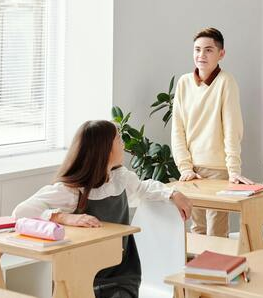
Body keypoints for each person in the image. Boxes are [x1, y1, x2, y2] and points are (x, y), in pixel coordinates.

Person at [13, 120, 192, 298]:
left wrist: (173, 193)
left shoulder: (119, 179)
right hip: (84, 275)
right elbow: (21, 212)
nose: (123, 144)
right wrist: (62, 217)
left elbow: (142, 188)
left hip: (123, 273)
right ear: (105, 148)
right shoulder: (72, 191)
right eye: (118, 139)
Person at [171, 27, 251, 237]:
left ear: (221, 54)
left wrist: (233, 170)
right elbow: (177, 129)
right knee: (197, 230)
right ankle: (198, 270)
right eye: (197, 50)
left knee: (216, 231)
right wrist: (185, 167)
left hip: (219, 169)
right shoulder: (184, 83)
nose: (201, 55)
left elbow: (232, 129)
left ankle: (219, 269)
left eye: (208, 50)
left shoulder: (226, 82)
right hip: (192, 171)